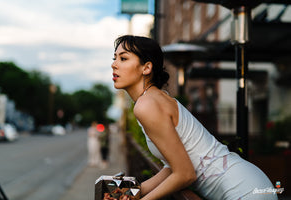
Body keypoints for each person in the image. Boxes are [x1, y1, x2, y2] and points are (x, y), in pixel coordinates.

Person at [111, 35, 278, 200]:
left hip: (242, 189)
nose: (114, 65)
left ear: (146, 68)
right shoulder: (153, 99)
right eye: (115, 58)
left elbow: (185, 174)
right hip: (247, 182)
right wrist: (133, 193)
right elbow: (173, 166)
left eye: (123, 58)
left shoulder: (147, 105)